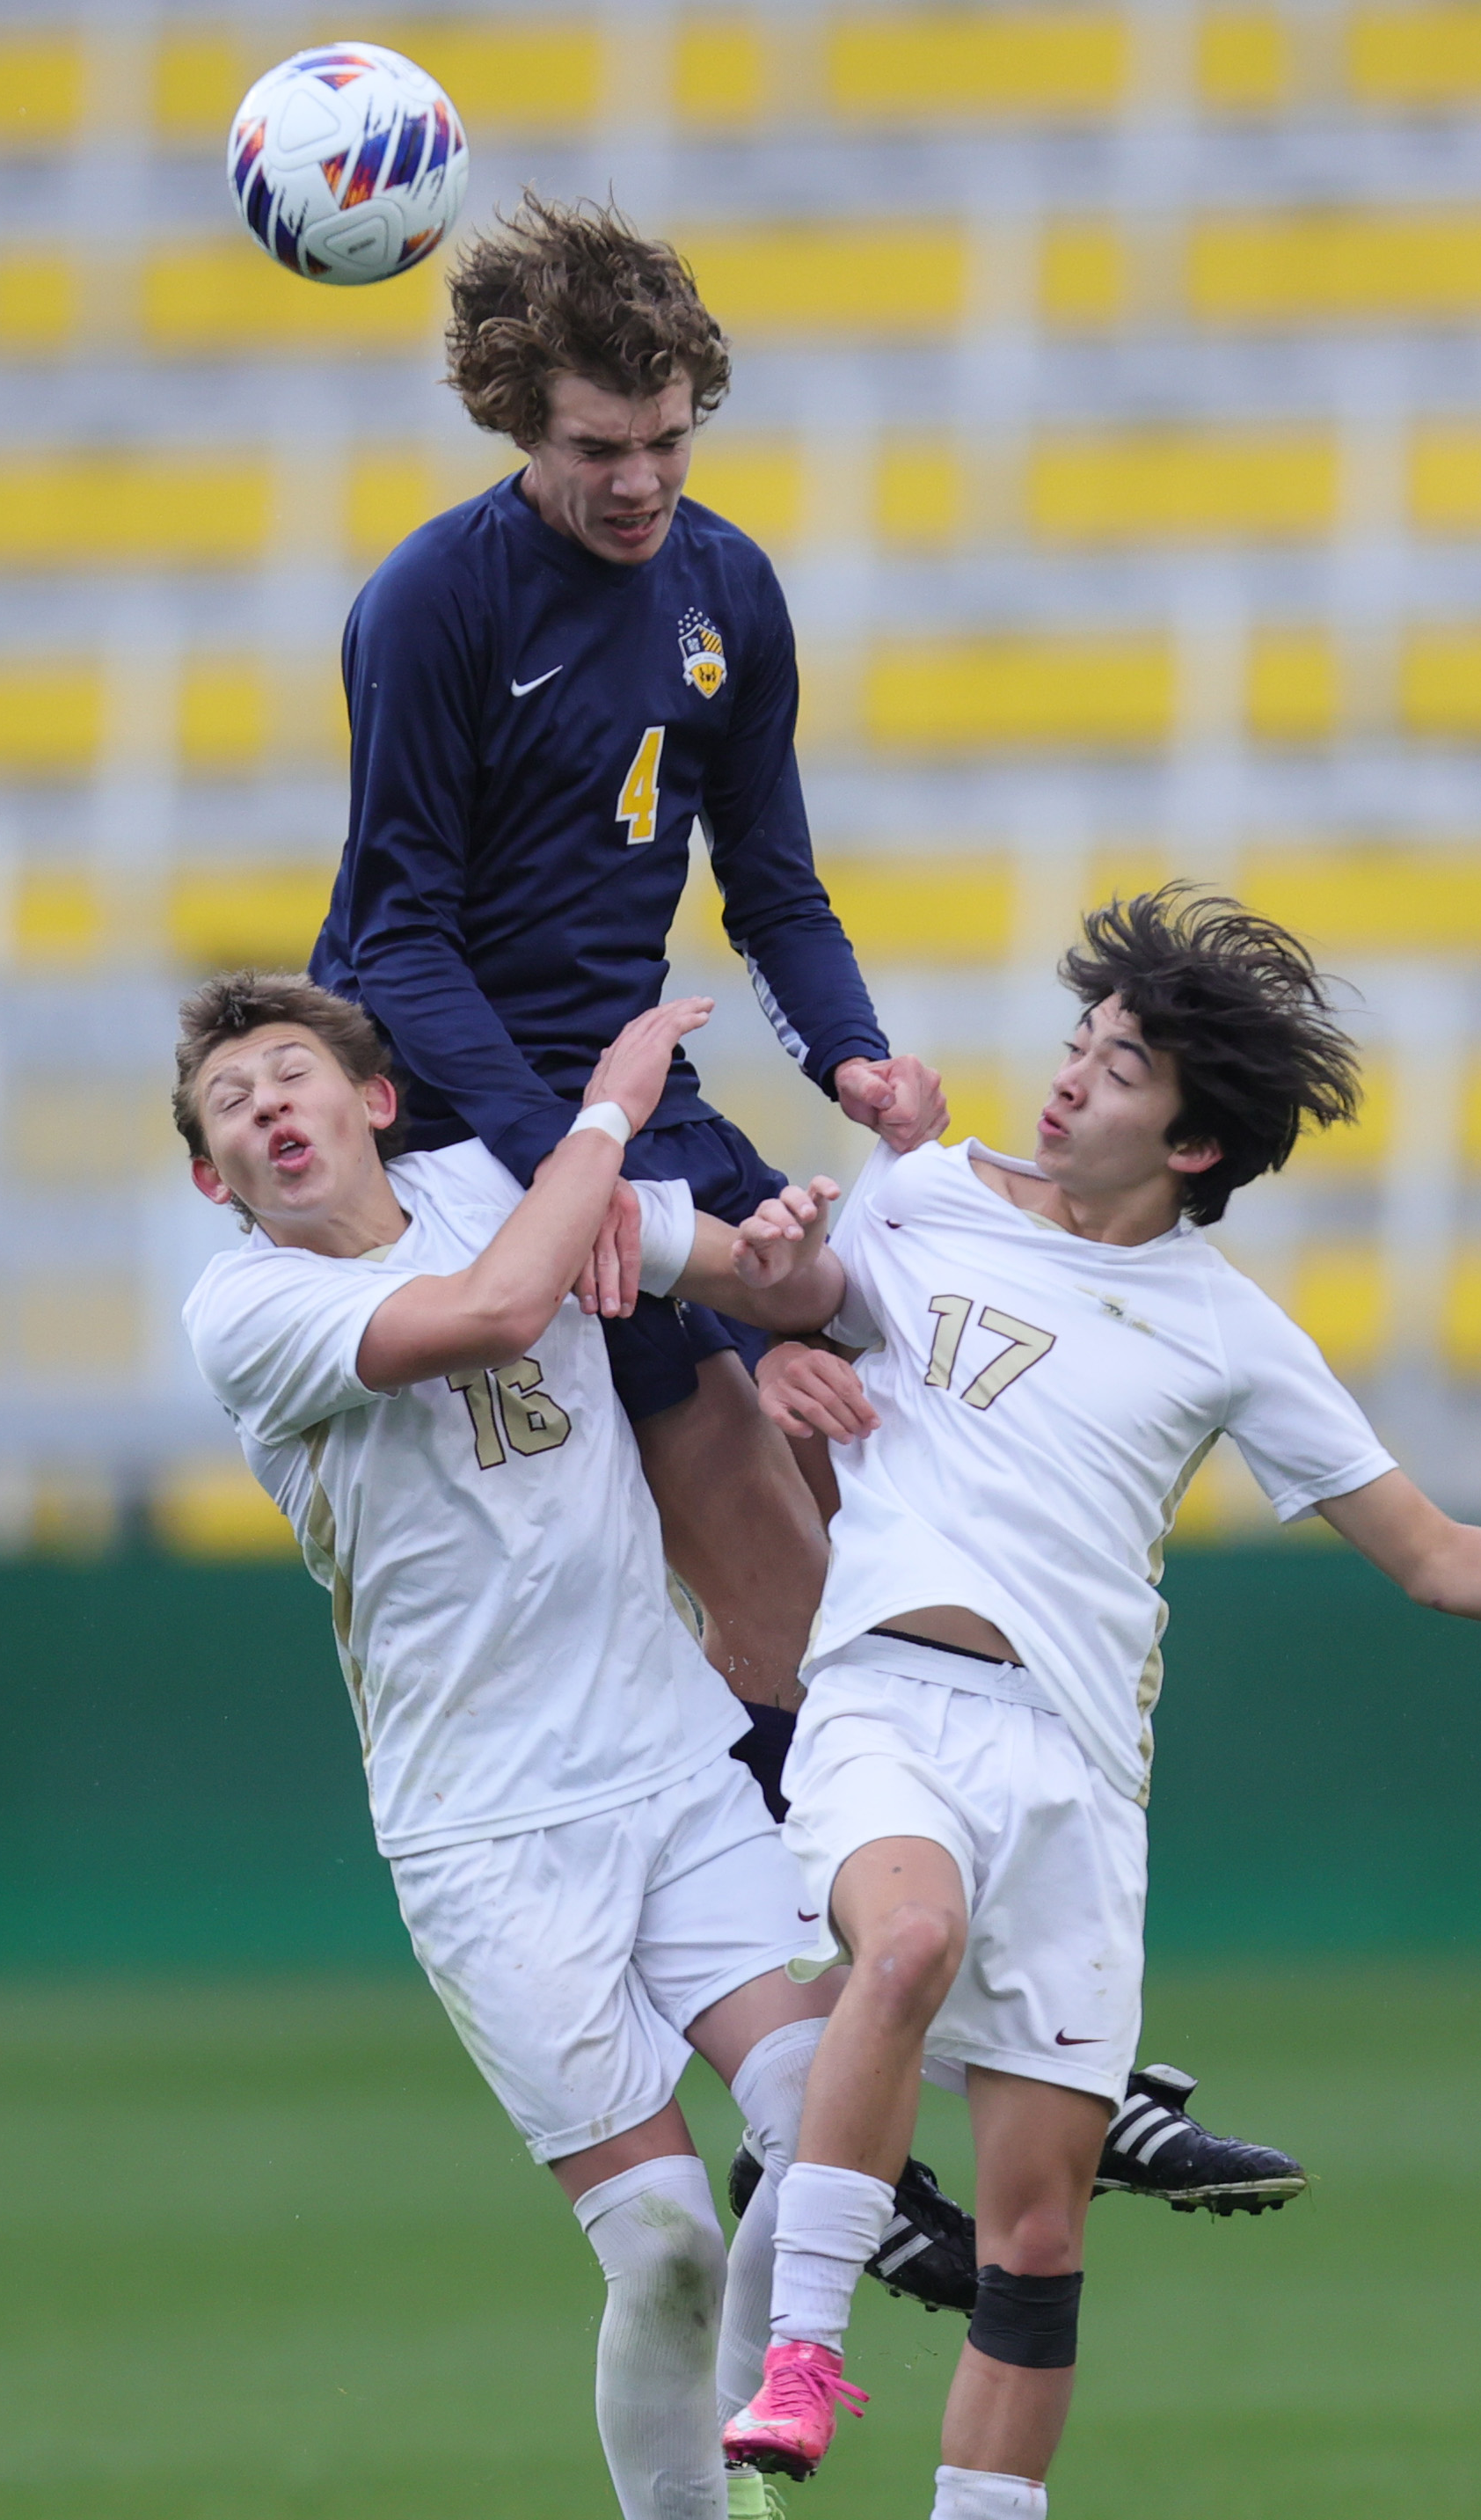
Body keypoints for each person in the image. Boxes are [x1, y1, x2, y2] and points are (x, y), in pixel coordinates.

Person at [719, 889, 1481, 2514]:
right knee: (904, 1942)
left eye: (1119, 1067)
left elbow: (1427, 1551)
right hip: (887, 1701)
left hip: (1073, 1771)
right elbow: (737, 1289)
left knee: (1036, 2234)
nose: (1069, 1077)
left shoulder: (1228, 1330)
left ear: (1191, 1145)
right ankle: (802, 2352)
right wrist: (762, 1343)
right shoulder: (920, 1197)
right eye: (1079, 1042)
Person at [173, 968, 865, 2520]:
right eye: (230, 1103)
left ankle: (759, 2443)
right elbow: (496, 1307)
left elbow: (735, 1269)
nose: (268, 1105)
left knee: (829, 2121)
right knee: (666, 2244)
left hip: (674, 1764)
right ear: (215, 1179)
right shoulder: (247, 1308)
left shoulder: (496, 1181)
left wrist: (785, 1302)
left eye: (291, 1074)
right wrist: (606, 1111)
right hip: (483, 1832)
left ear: (376, 1100)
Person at [309, 191, 946, 1779]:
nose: (642, 480)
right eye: (599, 448)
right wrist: (568, 1168)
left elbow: (773, 887)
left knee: (899, 1483)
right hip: (480, 1128)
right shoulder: (431, 603)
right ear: (518, 422)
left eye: (668, 438)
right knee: (796, 1601)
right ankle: (811, 1900)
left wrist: (855, 1061)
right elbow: (395, 940)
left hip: (633, 1104)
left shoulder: (727, 589)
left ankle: (809, 1852)